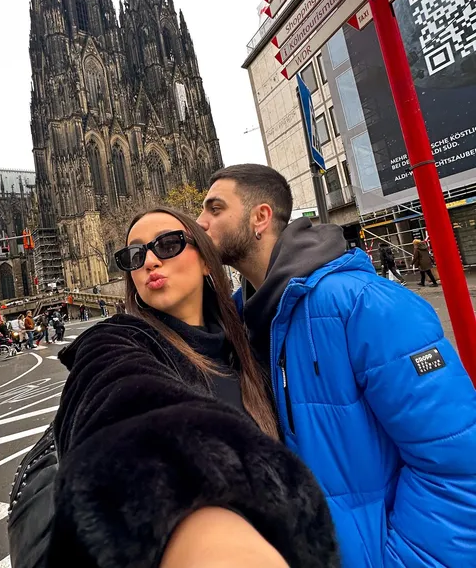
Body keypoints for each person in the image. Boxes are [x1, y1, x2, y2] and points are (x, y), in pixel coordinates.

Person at [8, 207, 338, 568]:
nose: (149, 261)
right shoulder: (115, 342)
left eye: (168, 244)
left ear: (207, 261)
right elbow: (124, 408)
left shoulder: (250, 343)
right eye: (134, 255)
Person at [198, 163, 476, 567]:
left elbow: (458, 466)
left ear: (260, 217)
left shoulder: (364, 303)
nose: (201, 222)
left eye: (215, 208)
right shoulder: (243, 321)